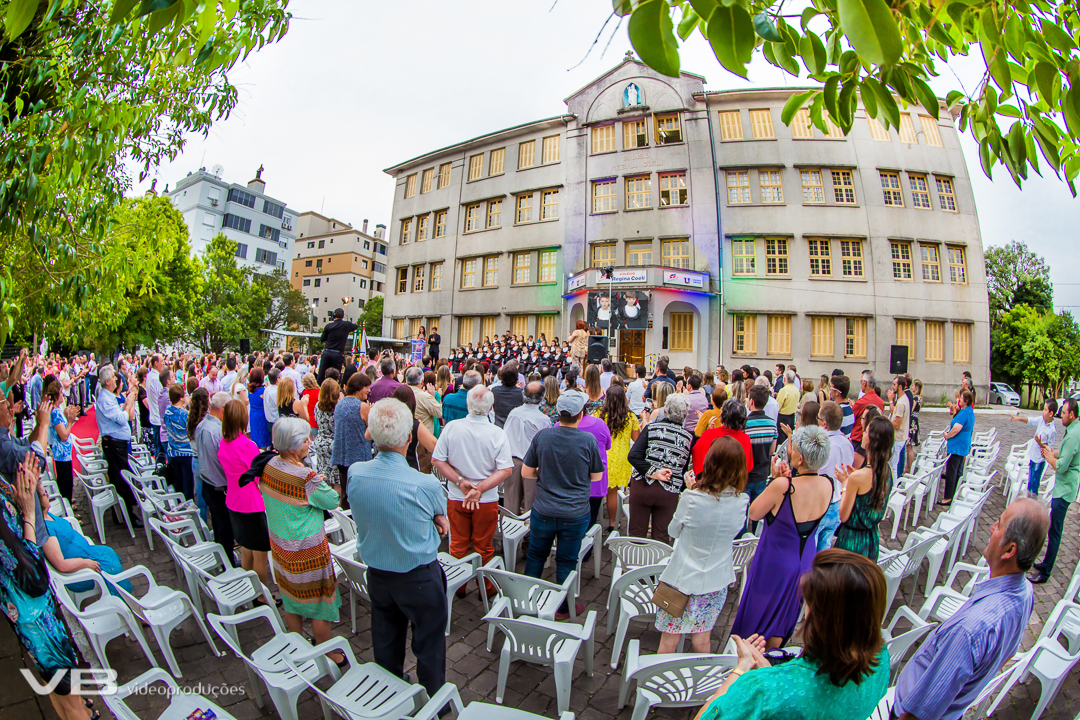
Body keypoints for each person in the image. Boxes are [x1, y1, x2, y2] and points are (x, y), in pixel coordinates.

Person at [893, 498, 1050, 720]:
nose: (992, 527)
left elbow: (919, 715)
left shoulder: (969, 631)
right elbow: (1009, 653)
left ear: (1009, 550)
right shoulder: (1025, 592)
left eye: (999, 524)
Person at [695, 550, 890, 720]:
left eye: (809, 602)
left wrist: (742, 668)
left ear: (821, 618)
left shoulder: (763, 691)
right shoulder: (880, 658)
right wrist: (771, 672)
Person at [348, 398, 451, 700]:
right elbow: (439, 514)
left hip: (378, 574)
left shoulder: (356, 472)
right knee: (430, 643)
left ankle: (389, 694)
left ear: (372, 434)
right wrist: (438, 517)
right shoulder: (425, 484)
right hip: (418, 577)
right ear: (408, 437)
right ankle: (434, 699)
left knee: (385, 639)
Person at [0, 455, 92, 720]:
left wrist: (27, 499)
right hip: (35, 613)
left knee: (56, 686)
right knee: (68, 697)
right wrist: (29, 514)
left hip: (24, 612)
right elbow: (32, 575)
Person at [731, 425, 833, 647]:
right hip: (805, 561)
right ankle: (772, 657)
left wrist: (775, 481)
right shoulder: (828, 484)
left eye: (793, 449)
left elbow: (754, 513)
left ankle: (749, 659)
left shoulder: (784, 487)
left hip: (774, 562)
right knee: (783, 618)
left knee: (757, 621)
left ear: (800, 459)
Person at [261, 417, 343, 663]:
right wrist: (319, 481)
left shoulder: (269, 466)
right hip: (308, 552)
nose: (310, 443)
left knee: (290, 596)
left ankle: (297, 644)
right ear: (294, 445)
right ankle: (327, 653)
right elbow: (332, 500)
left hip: (280, 547)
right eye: (306, 440)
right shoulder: (305, 477)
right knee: (319, 603)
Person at [657, 438, 749, 654]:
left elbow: (673, 531)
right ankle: (701, 676)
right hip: (717, 579)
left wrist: (691, 493)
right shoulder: (742, 501)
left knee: (669, 640)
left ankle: (661, 676)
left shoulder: (691, 498)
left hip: (681, 579)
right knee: (702, 639)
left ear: (710, 463)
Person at [522, 390, 604, 619]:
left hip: (544, 509)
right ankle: (563, 607)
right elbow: (596, 476)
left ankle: (528, 601)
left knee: (536, 556)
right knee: (567, 561)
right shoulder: (588, 440)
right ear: (581, 414)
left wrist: (545, 473)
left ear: (557, 412)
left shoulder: (543, 436)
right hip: (575, 512)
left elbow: (526, 472)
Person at [432, 385, 513, 593]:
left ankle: (457, 587)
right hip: (485, 499)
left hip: (457, 496)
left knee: (458, 545)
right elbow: (505, 469)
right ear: (490, 407)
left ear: (468, 405)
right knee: (484, 546)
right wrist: (480, 488)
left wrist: (460, 481)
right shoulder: (497, 433)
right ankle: (485, 587)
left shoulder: (452, 428)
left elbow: (437, 460)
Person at [627, 393, 695, 544]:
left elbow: (633, 456)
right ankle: (659, 559)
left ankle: (634, 558)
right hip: (669, 491)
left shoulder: (651, 428)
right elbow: (683, 467)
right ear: (684, 415)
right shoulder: (688, 438)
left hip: (643, 486)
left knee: (636, 533)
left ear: (665, 411)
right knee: (662, 537)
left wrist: (652, 472)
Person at [219, 400, 271, 591]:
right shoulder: (246, 445)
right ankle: (261, 594)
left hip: (234, 500)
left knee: (246, 549)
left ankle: (249, 590)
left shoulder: (224, 442)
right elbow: (257, 475)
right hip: (251, 503)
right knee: (260, 554)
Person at [1028, 397, 1078, 584]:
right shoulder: (1073, 429)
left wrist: (1049, 458)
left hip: (1064, 490)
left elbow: (1062, 466)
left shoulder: (1073, 434)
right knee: (1053, 528)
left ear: (1071, 414)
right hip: (1063, 487)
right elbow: (1065, 453)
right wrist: (1051, 451)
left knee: (1055, 531)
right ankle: (1045, 563)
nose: (1060, 415)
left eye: (1063, 413)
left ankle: (1045, 572)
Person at [833, 416, 894, 561]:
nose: (863, 433)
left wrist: (845, 484)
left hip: (852, 543)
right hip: (871, 539)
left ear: (872, 440)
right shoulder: (888, 471)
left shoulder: (858, 477)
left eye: (866, 431)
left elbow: (843, 515)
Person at [94, 365, 141, 526]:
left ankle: (124, 512)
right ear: (107, 381)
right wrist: (128, 404)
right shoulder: (105, 398)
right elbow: (121, 419)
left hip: (117, 443)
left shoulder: (108, 397)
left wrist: (125, 405)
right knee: (120, 479)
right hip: (114, 444)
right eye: (113, 377)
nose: (116, 379)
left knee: (121, 476)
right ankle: (126, 515)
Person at [195, 391, 235, 566]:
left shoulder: (202, 425)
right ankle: (227, 565)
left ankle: (223, 560)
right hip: (218, 486)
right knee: (224, 529)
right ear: (223, 410)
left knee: (219, 527)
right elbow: (225, 461)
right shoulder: (217, 430)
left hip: (208, 483)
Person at [502, 381, 551, 516]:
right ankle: (530, 528)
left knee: (511, 502)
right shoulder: (543, 419)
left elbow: (505, 436)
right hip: (532, 464)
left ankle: (508, 527)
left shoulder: (514, 413)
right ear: (542, 398)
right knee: (532, 504)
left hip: (514, 460)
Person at [599, 385, 640, 532]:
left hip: (602, 455)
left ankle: (595, 519)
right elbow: (637, 439)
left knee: (598, 490)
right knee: (613, 492)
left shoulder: (599, 414)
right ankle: (613, 523)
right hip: (620, 458)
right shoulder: (630, 417)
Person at [816, 401, 855, 551]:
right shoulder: (847, 444)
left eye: (818, 419)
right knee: (825, 543)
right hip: (838, 501)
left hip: (822, 503)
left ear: (824, 424)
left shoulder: (823, 445)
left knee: (812, 545)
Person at [331, 372, 373, 510]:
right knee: (360, 494)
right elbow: (371, 430)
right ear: (358, 388)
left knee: (345, 493)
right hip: (359, 456)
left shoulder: (339, 404)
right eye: (367, 387)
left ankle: (346, 518)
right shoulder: (362, 407)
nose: (369, 390)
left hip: (341, 455)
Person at [744, 385, 778, 533]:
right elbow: (772, 450)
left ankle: (740, 539)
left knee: (743, 512)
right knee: (758, 511)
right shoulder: (772, 424)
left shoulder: (745, 424)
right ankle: (755, 537)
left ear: (751, 401)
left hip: (746, 474)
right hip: (763, 473)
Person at [575, 395, 612, 530]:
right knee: (591, 517)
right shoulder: (599, 423)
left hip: (569, 482)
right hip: (594, 481)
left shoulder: (557, 427)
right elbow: (608, 445)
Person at [1008, 398, 1058, 496]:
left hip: (1039, 460)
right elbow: (1030, 420)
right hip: (1033, 456)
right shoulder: (1041, 420)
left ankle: (1032, 502)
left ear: (1051, 413)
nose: (1043, 412)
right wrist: (1018, 418)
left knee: (1034, 486)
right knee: (1030, 483)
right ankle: (1028, 500)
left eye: (1045, 410)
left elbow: (1049, 449)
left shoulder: (1052, 430)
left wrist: (1040, 443)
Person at [693, 399, 752, 475]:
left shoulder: (709, 435)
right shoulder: (745, 439)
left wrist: (710, 433)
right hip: (736, 480)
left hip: (712, 479)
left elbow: (697, 457)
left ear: (722, 416)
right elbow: (747, 466)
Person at [44, 381, 79, 504]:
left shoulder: (57, 410)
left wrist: (66, 415)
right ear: (56, 395)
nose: (63, 395)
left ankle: (66, 503)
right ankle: (66, 506)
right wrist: (70, 421)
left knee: (66, 481)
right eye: (60, 393)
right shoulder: (54, 412)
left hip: (63, 453)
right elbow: (63, 435)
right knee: (65, 483)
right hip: (62, 454)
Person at [941, 390, 975, 507]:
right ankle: (955, 494)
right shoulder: (968, 411)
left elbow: (956, 428)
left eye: (961, 398)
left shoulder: (965, 412)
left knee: (952, 471)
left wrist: (947, 436)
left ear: (966, 401)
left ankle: (948, 497)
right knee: (958, 470)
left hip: (957, 446)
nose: (959, 399)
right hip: (962, 445)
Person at [163, 383, 195, 500]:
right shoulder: (185, 415)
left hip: (173, 451)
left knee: (178, 482)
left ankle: (179, 504)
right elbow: (191, 430)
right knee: (187, 482)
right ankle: (188, 504)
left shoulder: (167, 411)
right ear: (181, 398)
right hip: (186, 452)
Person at [312, 378, 341, 485]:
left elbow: (316, 421)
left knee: (324, 476)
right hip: (335, 445)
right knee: (336, 479)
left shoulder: (317, 406)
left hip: (321, 442)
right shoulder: (338, 409)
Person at [318, 308, 358, 382]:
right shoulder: (346, 325)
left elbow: (322, 339)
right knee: (335, 376)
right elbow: (355, 326)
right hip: (337, 354)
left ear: (334, 316)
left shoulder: (328, 326)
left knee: (322, 375)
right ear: (342, 316)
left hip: (327, 352)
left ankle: (320, 387)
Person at [850, 370, 884, 455]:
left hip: (858, 440)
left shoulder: (861, 402)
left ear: (865, 383)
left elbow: (852, 418)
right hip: (874, 439)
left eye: (861, 381)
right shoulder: (880, 402)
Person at [887, 375, 912, 481]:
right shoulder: (903, 399)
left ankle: (893, 486)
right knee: (894, 464)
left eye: (894, 385)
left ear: (900, 387)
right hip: (900, 437)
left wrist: (886, 420)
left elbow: (897, 425)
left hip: (897, 438)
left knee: (893, 465)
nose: (892, 387)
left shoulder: (901, 403)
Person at [491, 364, 523, 428]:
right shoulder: (521, 393)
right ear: (516, 377)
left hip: (498, 426)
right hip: (515, 427)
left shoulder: (494, 391)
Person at [247, 368, 271, 449]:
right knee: (262, 439)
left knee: (255, 437)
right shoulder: (263, 391)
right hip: (262, 415)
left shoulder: (250, 389)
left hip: (253, 415)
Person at [775, 369, 800, 435]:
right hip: (792, 417)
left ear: (784, 379)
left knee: (781, 437)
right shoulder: (796, 390)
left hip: (783, 417)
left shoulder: (784, 390)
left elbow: (778, 406)